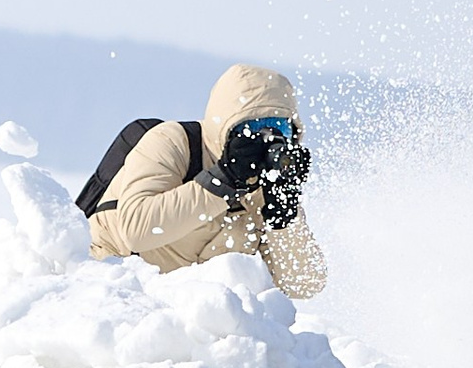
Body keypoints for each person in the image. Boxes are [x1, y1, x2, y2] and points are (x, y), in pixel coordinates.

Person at [82, 63, 328, 297]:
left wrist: (283, 216)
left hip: (188, 317)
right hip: (109, 289)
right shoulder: (173, 142)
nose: (266, 137)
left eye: (279, 127)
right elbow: (138, 231)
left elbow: (304, 285)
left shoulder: (266, 186)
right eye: (254, 126)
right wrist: (223, 180)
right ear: (227, 123)